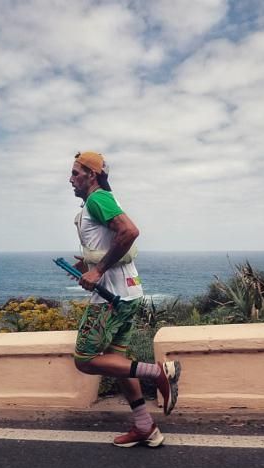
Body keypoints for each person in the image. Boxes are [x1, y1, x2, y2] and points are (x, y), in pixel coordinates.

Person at [68, 151, 181, 448]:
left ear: (91, 175)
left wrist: (99, 271)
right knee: (117, 362)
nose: (71, 179)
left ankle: (158, 372)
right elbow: (111, 240)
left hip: (111, 297)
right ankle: (146, 427)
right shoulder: (105, 197)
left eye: (76, 173)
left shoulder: (97, 199)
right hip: (129, 293)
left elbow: (130, 232)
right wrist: (88, 266)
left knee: (85, 359)